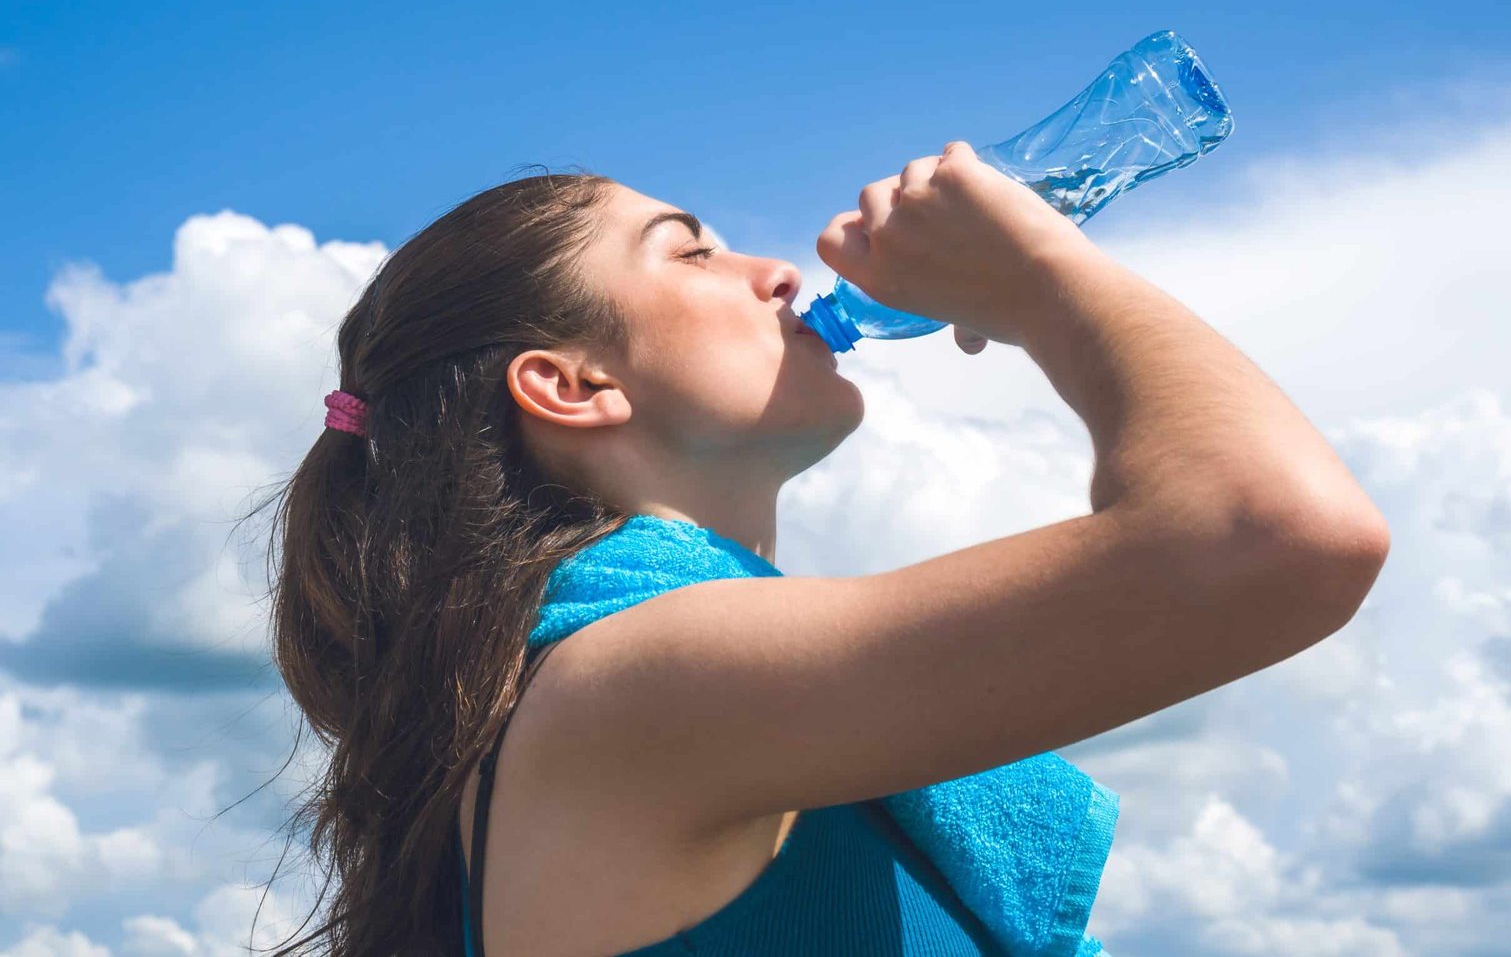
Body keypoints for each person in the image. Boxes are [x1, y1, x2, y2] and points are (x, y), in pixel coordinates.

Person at [259, 141, 1390, 956]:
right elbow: (1273, 533)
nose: (777, 270)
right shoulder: (638, 683)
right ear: (571, 384)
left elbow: (1210, 545)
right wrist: (1041, 276)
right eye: (691, 252)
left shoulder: (627, 683)